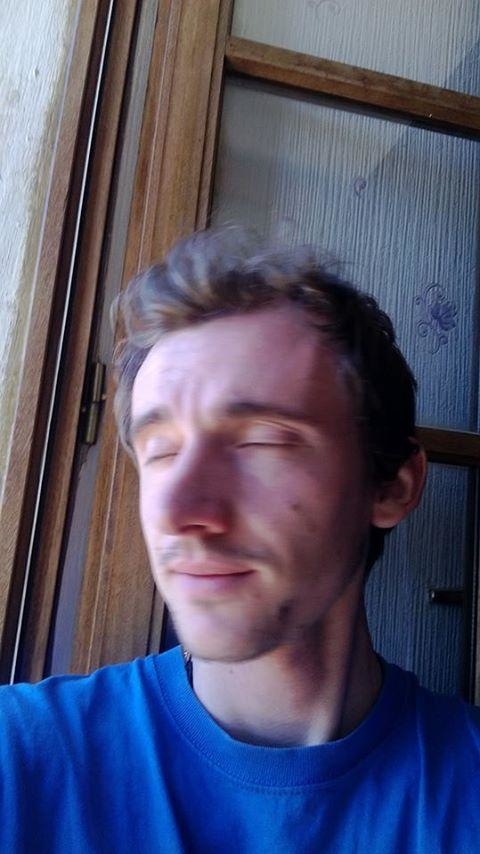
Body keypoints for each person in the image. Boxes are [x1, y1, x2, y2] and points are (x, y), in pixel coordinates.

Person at [0, 227, 479, 853]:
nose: (179, 511)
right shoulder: (23, 757)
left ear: (392, 485)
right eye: (160, 451)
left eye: (262, 439)